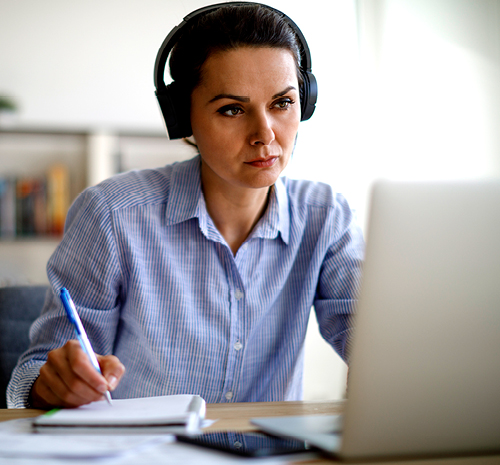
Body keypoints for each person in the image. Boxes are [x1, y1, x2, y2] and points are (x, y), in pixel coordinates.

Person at [7, 2, 364, 409]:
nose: (265, 135)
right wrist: (54, 383)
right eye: (232, 109)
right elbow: (38, 371)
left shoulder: (327, 218)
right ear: (182, 118)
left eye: (282, 103)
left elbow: (375, 344)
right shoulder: (113, 215)